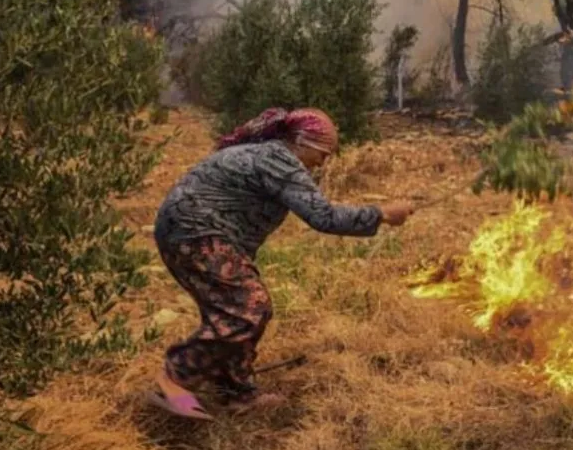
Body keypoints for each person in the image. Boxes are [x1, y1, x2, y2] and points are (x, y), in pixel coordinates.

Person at [148, 107, 415, 419]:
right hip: (196, 233)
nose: (323, 162)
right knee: (249, 308)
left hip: (185, 232)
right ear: (302, 141)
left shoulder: (266, 157)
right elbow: (324, 217)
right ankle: (174, 378)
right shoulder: (279, 160)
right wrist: (382, 213)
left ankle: (236, 393)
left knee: (238, 310)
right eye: (323, 152)